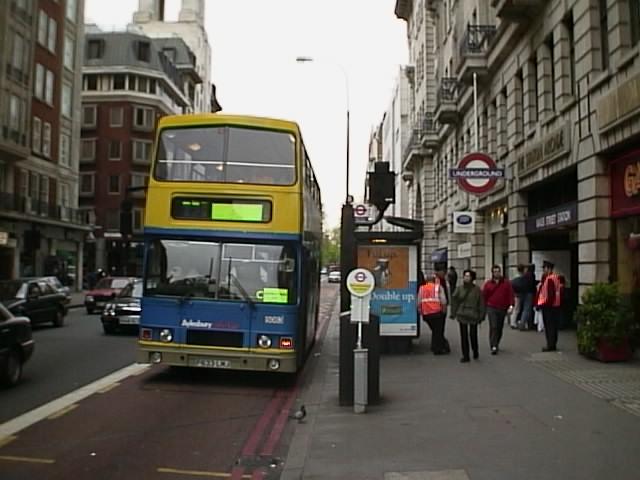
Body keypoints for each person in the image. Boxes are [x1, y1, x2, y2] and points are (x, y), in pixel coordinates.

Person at [451, 269, 485, 363]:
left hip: (473, 315)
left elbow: (481, 303)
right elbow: (454, 300)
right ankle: (465, 355)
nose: (466, 278)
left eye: (468, 276)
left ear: (472, 278)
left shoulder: (477, 289)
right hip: (462, 314)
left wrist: (482, 315)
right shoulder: (459, 288)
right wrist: (453, 313)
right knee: (463, 335)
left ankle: (475, 351)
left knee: (473, 335)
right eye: (465, 276)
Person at [481, 265, 515, 355]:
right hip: (491, 307)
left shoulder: (506, 283)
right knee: (494, 326)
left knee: (499, 327)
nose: (497, 273)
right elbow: (484, 296)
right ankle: (493, 345)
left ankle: (497, 342)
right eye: (495, 271)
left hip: (502, 308)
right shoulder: (488, 284)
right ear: (492, 273)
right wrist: (482, 308)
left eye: (498, 271)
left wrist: (511, 305)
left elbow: (510, 295)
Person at [417, 273, 450, 355]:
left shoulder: (422, 288)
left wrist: (420, 312)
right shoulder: (438, 287)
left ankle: (437, 346)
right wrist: (444, 310)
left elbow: (418, 302)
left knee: (435, 330)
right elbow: (443, 300)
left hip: (426, 315)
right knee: (437, 331)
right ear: (434, 280)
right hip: (437, 313)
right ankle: (437, 348)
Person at [535, 260, 561, 351]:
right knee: (553, 326)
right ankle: (552, 343)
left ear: (549, 269)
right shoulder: (555, 277)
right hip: (555, 305)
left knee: (549, 326)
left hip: (549, 306)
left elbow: (549, 294)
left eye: (545, 268)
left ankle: (550, 345)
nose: (543, 270)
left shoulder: (549, 279)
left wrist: (542, 304)